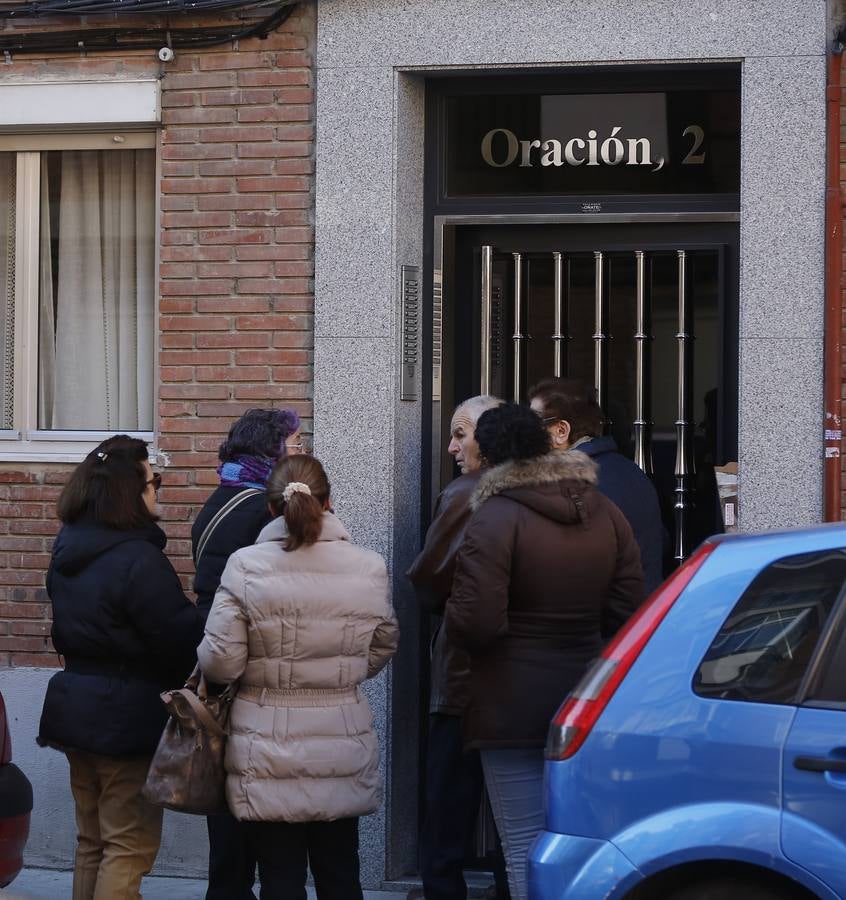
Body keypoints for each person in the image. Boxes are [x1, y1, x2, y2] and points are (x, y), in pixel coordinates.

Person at [445, 404, 645, 900]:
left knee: (522, 847)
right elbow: (628, 609)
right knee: (580, 844)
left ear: (490, 456)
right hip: (585, 698)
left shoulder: (495, 516)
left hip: (510, 701)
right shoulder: (605, 510)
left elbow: (476, 622)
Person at [197, 454, 400, 900]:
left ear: (271, 508)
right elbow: (384, 643)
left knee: (279, 875)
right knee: (341, 871)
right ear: (330, 503)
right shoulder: (368, 567)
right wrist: (339, 674)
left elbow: (220, 663)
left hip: (265, 744)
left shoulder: (246, 566)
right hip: (341, 740)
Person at [37, 435, 206, 900]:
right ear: (130, 490)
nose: (158, 491)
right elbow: (178, 639)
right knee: (128, 845)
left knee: (92, 842)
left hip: (75, 706)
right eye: (156, 481)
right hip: (124, 716)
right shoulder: (138, 558)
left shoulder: (67, 550)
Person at [191, 407, 302, 900]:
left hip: (215, 658)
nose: (300, 451)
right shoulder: (263, 509)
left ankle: (228, 889)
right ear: (271, 450)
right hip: (246, 661)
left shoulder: (219, 497)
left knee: (226, 788)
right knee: (250, 795)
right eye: (295, 444)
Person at [407, 395, 509, 900]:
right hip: (531, 678)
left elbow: (430, 583)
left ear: (488, 440)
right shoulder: (567, 495)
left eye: (460, 434)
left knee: (450, 798)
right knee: (519, 805)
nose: (451, 446)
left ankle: (442, 892)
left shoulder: (465, 494)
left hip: (464, 676)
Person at [528, 377, 665, 593]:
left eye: (533, 424)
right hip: (642, 611)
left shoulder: (577, 482)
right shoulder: (629, 470)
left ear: (561, 431)